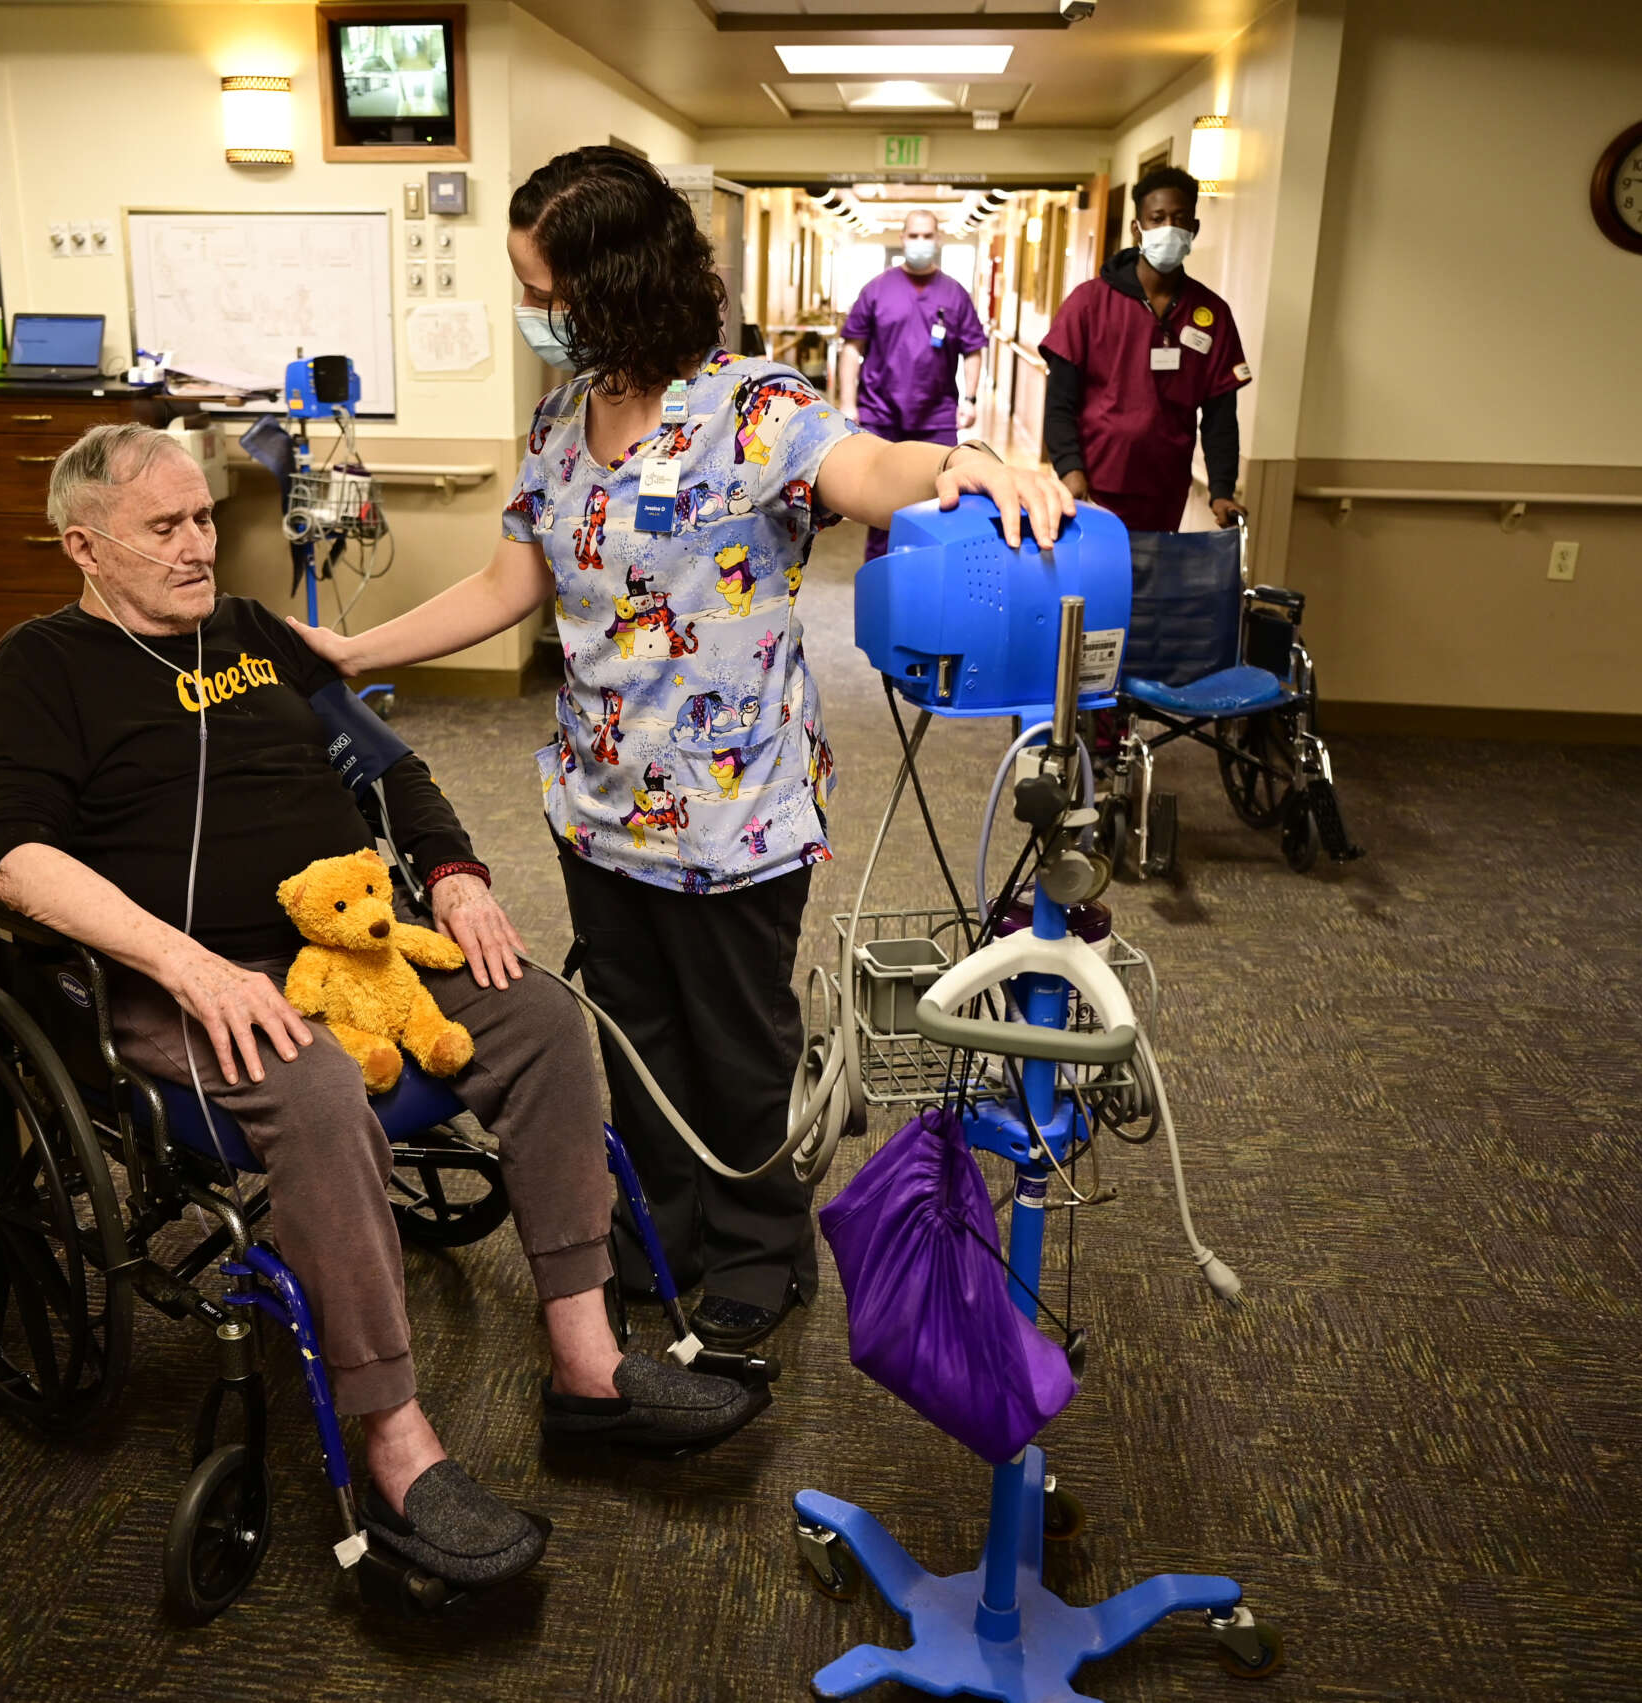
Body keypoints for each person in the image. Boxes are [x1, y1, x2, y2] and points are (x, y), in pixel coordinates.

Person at [297, 147, 1072, 1352]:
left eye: (544, 292)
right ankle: (664, 1229)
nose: (533, 317)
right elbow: (514, 577)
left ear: (614, 284)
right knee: (635, 1039)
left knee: (737, 1047)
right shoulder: (563, 419)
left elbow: (868, 467)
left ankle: (762, 1249)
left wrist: (962, 464)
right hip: (594, 804)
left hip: (734, 814)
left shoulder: (753, 405)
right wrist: (352, 650)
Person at [0, 423, 767, 1590]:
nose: (201, 546)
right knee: (319, 1082)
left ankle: (588, 1362)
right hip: (192, 983)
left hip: (364, 941)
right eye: (167, 528)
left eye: (204, 519)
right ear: (85, 546)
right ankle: (393, 1435)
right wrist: (188, 966)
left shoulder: (251, 634)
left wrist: (451, 873)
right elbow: (18, 862)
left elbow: (389, 767)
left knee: (541, 1012)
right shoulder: (38, 670)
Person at [1040, 164, 1251, 537]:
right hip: (1094, 487)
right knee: (1096, 590)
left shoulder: (1211, 314)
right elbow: (1060, 403)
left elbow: (1221, 417)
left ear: (1194, 230)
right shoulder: (1088, 304)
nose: (1169, 228)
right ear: (1138, 228)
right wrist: (1070, 469)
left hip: (1165, 491)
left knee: (1150, 590)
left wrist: (1220, 490)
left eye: (1180, 219)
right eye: (1157, 218)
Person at [837, 208, 989, 559]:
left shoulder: (954, 294)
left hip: (936, 417)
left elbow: (974, 349)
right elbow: (851, 347)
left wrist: (969, 398)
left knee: (942, 503)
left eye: (927, 236)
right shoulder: (877, 289)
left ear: (937, 240)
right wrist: (848, 402)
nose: (920, 242)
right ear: (903, 238)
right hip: (881, 414)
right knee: (881, 509)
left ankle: (930, 578)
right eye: (914, 235)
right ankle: (882, 577)